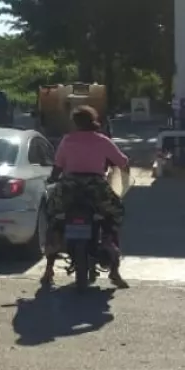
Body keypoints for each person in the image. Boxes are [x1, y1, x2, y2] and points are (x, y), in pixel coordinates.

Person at [43, 105, 130, 288]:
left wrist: (52, 179)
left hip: (69, 187)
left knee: (52, 215)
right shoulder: (102, 140)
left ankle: (49, 268)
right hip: (96, 188)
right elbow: (123, 162)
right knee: (115, 214)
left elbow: (58, 167)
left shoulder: (67, 140)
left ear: (75, 123)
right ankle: (113, 268)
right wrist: (124, 175)